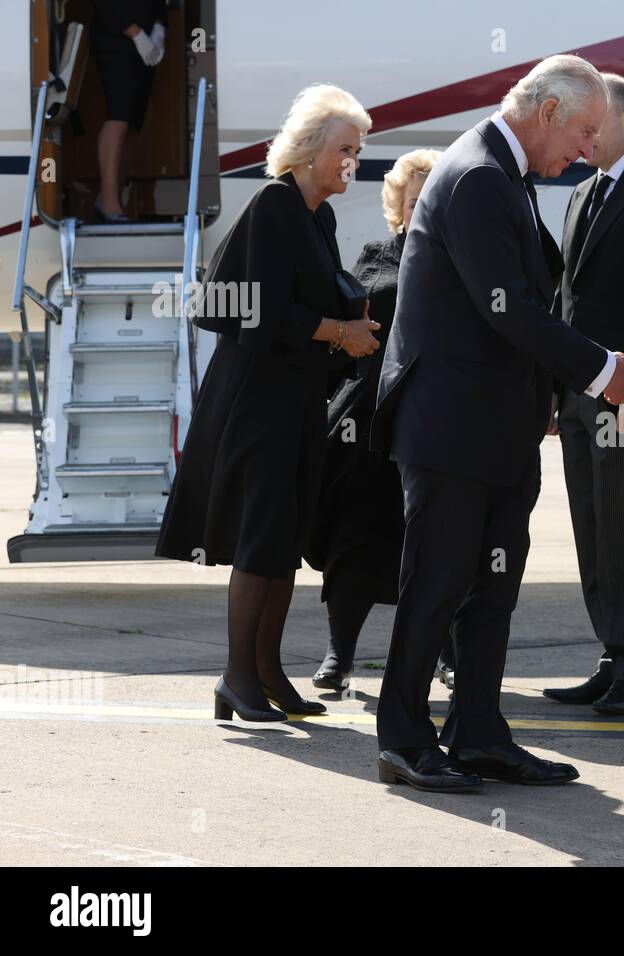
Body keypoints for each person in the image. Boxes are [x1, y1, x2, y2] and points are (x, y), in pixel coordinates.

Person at [370, 55, 624, 793]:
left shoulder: (504, 173)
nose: (590, 149)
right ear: (549, 112)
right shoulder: (478, 177)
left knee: (490, 589)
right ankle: (404, 737)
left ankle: (478, 733)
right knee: (436, 585)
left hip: (494, 427)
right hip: (453, 429)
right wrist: (604, 372)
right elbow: (511, 311)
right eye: (586, 130)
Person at [156, 85, 379, 722]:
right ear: (307, 151)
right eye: (343, 149)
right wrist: (339, 332)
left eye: (357, 151)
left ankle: (266, 669)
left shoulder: (319, 217)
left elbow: (307, 298)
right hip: (258, 402)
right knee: (260, 537)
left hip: (298, 399)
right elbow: (250, 310)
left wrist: (349, 316)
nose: (351, 162)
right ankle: (236, 676)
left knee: (283, 536)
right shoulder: (275, 206)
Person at [543, 75, 624, 716]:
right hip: (580, 392)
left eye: (596, 126)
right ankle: (612, 656)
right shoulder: (583, 193)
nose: (586, 139)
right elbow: (567, 298)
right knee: (591, 527)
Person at [307, 148, 440, 693]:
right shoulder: (377, 254)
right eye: (412, 202)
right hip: (363, 420)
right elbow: (345, 326)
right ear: (398, 207)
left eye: (429, 201)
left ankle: (443, 654)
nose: (418, 210)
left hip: (433, 418)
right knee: (353, 537)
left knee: (436, 542)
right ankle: (340, 654)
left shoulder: (463, 258)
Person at [89, 0, 166, 222]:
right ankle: (109, 202)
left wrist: (159, 27)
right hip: (117, 40)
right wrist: (136, 33)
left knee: (135, 122)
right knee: (119, 115)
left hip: (146, 39)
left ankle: (108, 196)